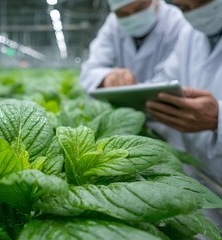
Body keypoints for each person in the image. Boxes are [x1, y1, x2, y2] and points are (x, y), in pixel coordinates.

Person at [146, 0, 222, 185]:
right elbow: (165, 77)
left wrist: (218, 118)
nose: (195, 13)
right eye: (184, 8)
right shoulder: (190, 33)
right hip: (202, 173)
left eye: (203, 3)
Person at [79, 0, 187, 92]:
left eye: (139, 8)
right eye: (122, 14)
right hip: (125, 112)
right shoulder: (113, 24)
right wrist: (107, 77)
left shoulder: (177, 22)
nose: (133, 17)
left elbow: (175, 78)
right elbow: (89, 71)